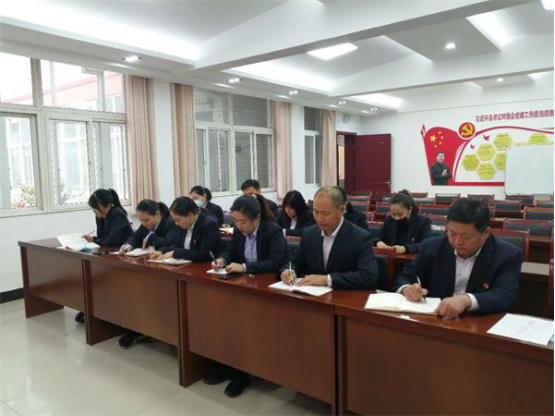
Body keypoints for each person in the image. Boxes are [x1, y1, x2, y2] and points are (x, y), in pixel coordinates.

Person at [209, 194, 288, 397]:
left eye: (243, 221)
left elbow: (276, 262)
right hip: (242, 287)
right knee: (224, 319)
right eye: (235, 221)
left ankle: (243, 373)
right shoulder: (238, 231)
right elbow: (230, 251)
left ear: (257, 218)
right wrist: (222, 260)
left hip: (266, 290)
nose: (238, 225)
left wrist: (245, 267)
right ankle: (229, 364)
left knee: (247, 327)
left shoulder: (272, 230)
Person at [392, 198, 523, 317]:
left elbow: (505, 296)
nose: (457, 241)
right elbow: (404, 276)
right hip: (435, 318)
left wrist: (466, 300)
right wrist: (407, 289)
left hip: (478, 322)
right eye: (452, 233)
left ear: (486, 233)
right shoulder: (432, 247)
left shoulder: (507, 254)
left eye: (466, 237)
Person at [280, 186, 378, 290]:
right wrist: (289, 271)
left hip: (343, 296)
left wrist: (327, 279)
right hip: (312, 295)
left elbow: (368, 276)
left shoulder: (360, 237)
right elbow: (295, 261)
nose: (319, 218)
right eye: (316, 212)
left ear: (341, 210)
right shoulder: (309, 234)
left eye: (325, 213)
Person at [117, 199, 180, 348]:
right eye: (141, 221)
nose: (144, 224)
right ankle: (135, 328)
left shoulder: (171, 223)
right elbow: (135, 237)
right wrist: (128, 245)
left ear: (157, 214)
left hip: (166, 269)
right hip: (149, 265)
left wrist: (151, 238)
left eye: (146, 220)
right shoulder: (146, 225)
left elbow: (170, 243)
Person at [76, 188, 133, 324]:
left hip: (123, 254)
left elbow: (110, 241)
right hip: (109, 253)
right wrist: (95, 239)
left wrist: (94, 239)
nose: (95, 212)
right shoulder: (100, 215)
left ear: (107, 206)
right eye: (93, 209)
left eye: (96, 209)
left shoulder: (117, 214)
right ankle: (93, 309)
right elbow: (102, 237)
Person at [151, 196, 221, 262]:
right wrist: (162, 251)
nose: (176, 223)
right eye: (174, 220)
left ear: (190, 215)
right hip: (186, 265)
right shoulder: (184, 224)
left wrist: (175, 253)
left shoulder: (209, 225)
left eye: (178, 220)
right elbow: (177, 245)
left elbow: (205, 254)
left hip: (203, 266)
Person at [374, 190, 432, 254]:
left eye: (400, 214)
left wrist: (405, 248)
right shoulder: (389, 220)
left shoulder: (423, 221)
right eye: (393, 214)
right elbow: (377, 237)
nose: (396, 218)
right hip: (392, 257)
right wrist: (378, 242)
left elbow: (426, 244)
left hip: (412, 258)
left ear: (410, 209)